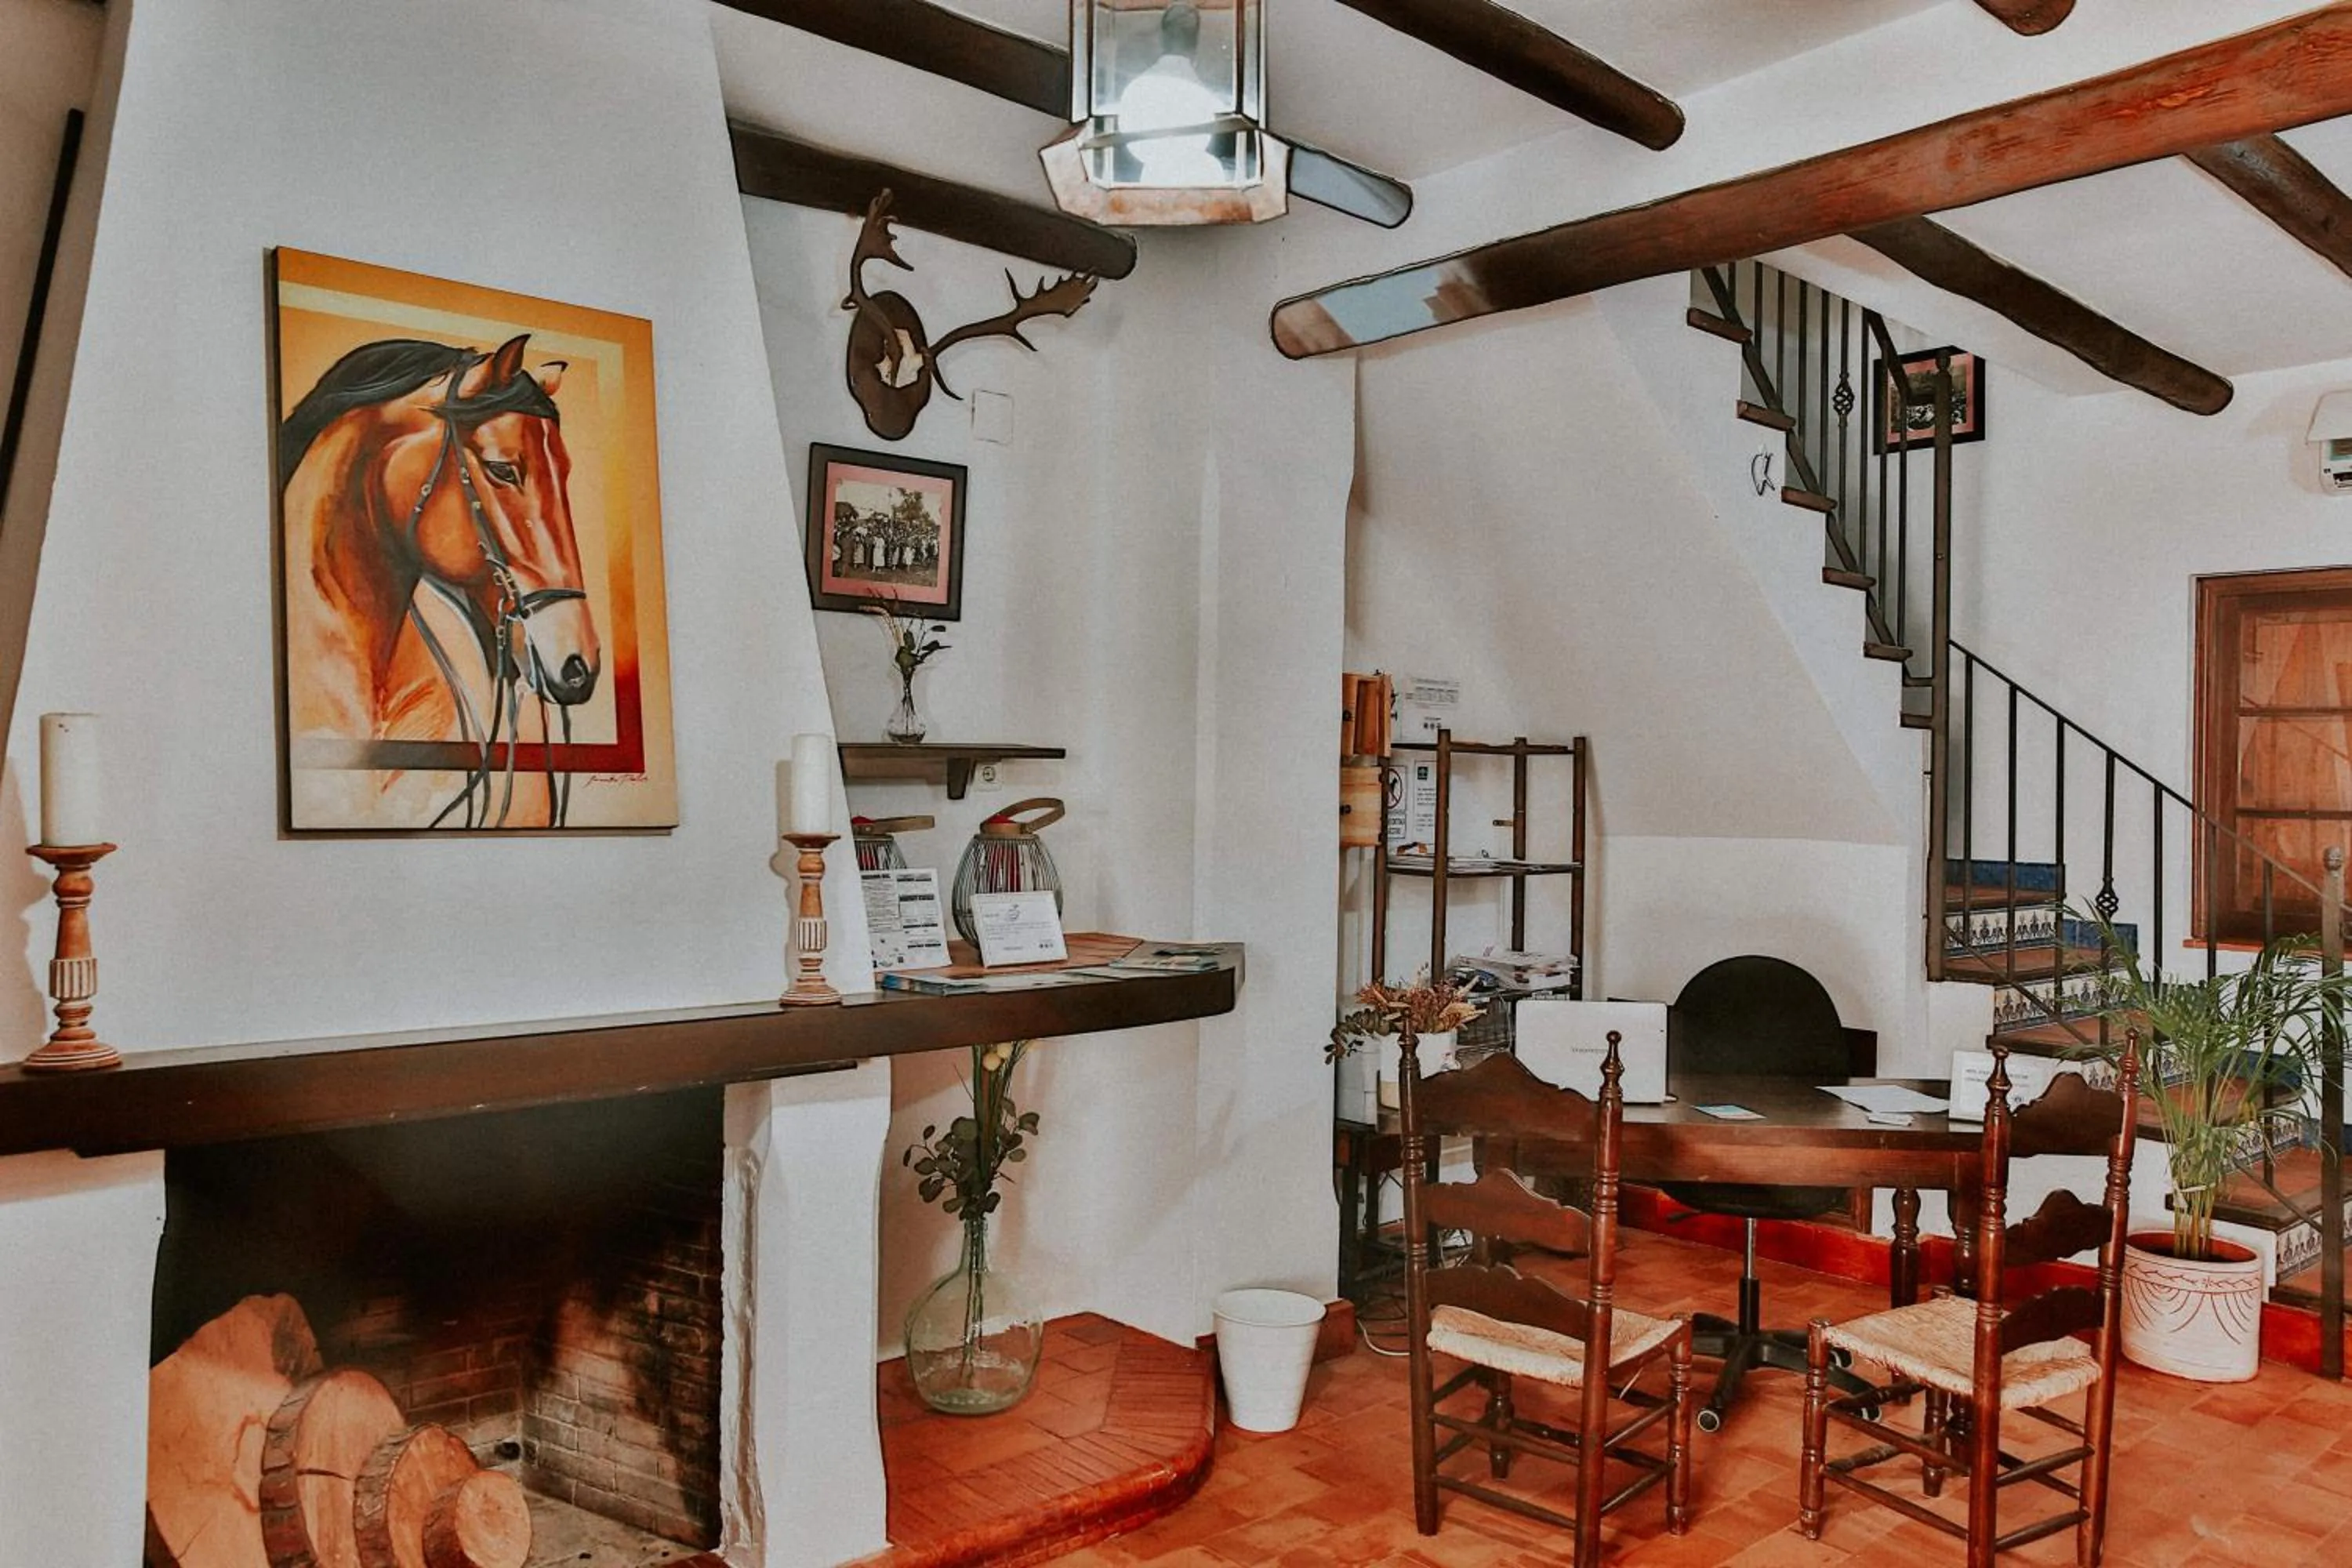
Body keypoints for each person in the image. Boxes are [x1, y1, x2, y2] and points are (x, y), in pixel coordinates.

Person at [1118, 3, 1225, 187]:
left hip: (1151, 179)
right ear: (1196, 46)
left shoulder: (1139, 88)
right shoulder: (1203, 95)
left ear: (1161, 39)